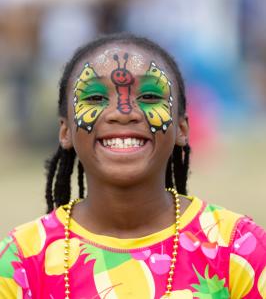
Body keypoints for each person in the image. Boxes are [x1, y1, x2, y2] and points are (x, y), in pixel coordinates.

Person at [0, 33, 265, 299]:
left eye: (149, 96)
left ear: (182, 128)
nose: (123, 112)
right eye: (94, 98)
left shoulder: (238, 248)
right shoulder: (22, 260)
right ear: (65, 131)